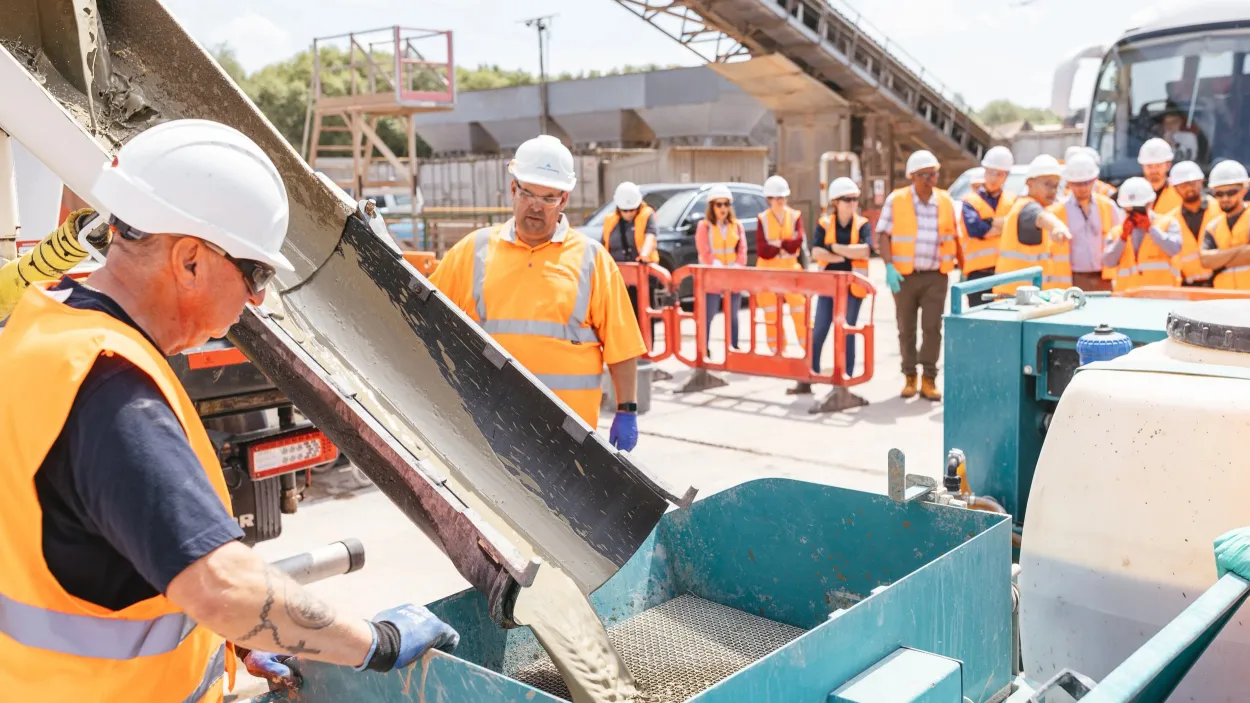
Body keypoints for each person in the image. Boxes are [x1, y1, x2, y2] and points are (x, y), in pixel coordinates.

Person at [0, 119, 459, 701]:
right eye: (256, 271)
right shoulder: (110, 390)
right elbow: (220, 587)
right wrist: (378, 641)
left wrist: (237, 636)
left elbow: (87, 548)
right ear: (190, 259)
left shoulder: (42, 325)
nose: (258, 297)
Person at [430, 135, 646, 449]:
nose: (536, 205)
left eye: (548, 197)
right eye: (529, 192)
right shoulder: (472, 251)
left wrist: (627, 410)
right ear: (513, 189)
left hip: (568, 436)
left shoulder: (592, 259)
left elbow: (622, 347)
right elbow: (423, 316)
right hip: (487, 428)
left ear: (564, 199)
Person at [876, 149, 958, 402]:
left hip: (936, 275)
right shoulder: (896, 200)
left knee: (932, 328)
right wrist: (889, 266)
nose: (929, 180)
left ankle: (929, 379)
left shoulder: (945, 200)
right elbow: (883, 235)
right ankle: (909, 376)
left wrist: (963, 268)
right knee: (906, 328)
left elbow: (956, 235)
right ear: (912, 176)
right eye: (924, 175)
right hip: (904, 277)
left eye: (933, 174)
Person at [810, 177, 871, 380]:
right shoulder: (825, 223)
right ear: (835, 202)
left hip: (853, 289)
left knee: (848, 331)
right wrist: (846, 253)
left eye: (855, 199)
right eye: (848, 199)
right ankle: (811, 373)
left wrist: (834, 249)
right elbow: (816, 252)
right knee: (819, 329)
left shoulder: (862, 224)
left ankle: (847, 375)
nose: (853, 203)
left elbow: (864, 250)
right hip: (828, 287)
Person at [755, 174, 811, 393]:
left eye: (782, 198)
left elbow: (796, 244)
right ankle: (779, 356)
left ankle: (808, 353)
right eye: (776, 198)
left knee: (800, 313)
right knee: (772, 315)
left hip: (790, 273)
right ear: (769, 199)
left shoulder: (795, 216)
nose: (780, 201)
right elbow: (762, 250)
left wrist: (777, 245)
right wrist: (782, 245)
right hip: (767, 275)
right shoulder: (762, 219)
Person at [993, 154, 1074, 294]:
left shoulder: (1033, 206)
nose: (1053, 191)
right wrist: (1057, 228)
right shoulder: (1026, 207)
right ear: (1029, 183)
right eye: (1048, 184)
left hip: (1024, 297)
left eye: (1056, 186)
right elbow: (1040, 217)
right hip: (1014, 299)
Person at [1049, 153, 1122, 292]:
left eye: (1086, 183)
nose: (1082, 188)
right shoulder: (1057, 211)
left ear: (1095, 180)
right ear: (1069, 183)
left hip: (1104, 277)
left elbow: (1120, 238)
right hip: (1074, 279)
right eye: (1077, 184)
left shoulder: (1107, 206)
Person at [601, 181, 660, 341]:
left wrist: (644, 255)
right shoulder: (610, 221)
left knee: (643, 313)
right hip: (619, 276)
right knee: (622, 315)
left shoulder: (647, 215)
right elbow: (603, 247)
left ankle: (646, 349)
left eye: (632, 209)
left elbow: (650, 235)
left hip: (642, 274)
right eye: (625, 210)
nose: (628, 213)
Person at [958, 145, 1016, 306]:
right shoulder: (970, 201)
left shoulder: (1013, 200)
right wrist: (1002, 225)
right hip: (978, 275)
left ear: (1006, 176)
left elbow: (1014, 227)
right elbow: (976, 229)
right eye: (990, 172)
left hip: (1006, 272)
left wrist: (988, 222)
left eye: (998, 174)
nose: (993, 178)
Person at [1103, 177, 1183, 292]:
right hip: (1127, 300)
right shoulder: (1117, 232)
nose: (1136, 214)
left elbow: (1174, 249)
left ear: (1151, 203)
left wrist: (1151, 229)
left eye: (1139, 208)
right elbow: (1108, 262)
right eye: (1131, 209)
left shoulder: (1168, 223)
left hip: (1162, 298)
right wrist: (1123, 238)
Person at [694, 184, 746, 355]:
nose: (723, 208)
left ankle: (734, 349)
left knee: (733, 315)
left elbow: (742, 248)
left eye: (726, 204)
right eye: (719, 204)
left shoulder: (736, 226)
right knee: (708, 314)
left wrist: (739, 264)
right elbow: (703, 249)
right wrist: (713, 262)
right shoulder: (705, 226)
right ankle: (704, 350)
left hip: (732, 276)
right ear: (712, 206)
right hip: (713, 278)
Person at [1168, 160, 1222, 287]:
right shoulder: (1170, 220)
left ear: (1201, 181)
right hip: (1188, 287)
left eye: (1193, 183)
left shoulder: (1219, 209)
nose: (1189, 188)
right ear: (1175, 189)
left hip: (1220, 282)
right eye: (1183, 185)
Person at [1199, 159, 1250, 290]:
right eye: (1219, 194)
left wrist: (1220, 259)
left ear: (1244, 190)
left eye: (1231, 192)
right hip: (1224, 301)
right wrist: (1241, 250)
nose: (1225, 198)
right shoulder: (1213, 227)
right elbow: (1205, 260)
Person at [1138, 138, 1182, 215]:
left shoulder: (1180, 192)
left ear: (1168, 165)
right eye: (1149, 166)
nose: (1154, 170)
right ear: (1142, 166)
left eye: (1158, 165)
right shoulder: (1131, 191)